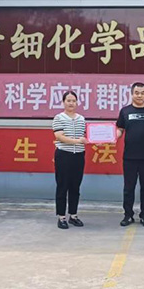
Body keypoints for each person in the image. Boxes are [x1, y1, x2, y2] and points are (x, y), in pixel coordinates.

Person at [116, 82, 144, 227]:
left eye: (142, 93)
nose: (139, 95)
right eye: (136, 93)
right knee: (128, 188)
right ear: (132, 94)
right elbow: (119, 129)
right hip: (129, 157)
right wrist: (109, 137)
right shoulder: (125, 111)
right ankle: (128, 215)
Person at [52, 91, 88, 229]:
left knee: (75, 187)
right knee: (62, 186)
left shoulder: (81, 119)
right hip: (64, 155)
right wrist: (77, 141)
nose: (71, 103)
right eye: (68, 100)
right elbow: (59, 136)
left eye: (73, 101)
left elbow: (86, 136)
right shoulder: (58, 118)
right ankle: (61, 217)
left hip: (78, 156)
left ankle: (73, 215)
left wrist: (96, 140)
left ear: (77, 102)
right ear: (63, 102)